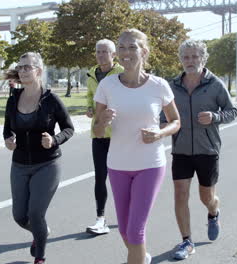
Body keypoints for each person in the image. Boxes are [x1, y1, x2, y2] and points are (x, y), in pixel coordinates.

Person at [93, 29, 181, 264]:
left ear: (144, 51)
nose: (125, 52)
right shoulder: (107, 85)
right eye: (121, 47)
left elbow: (176, 121)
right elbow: (97, 131)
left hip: (149, 164)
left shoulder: (159, 86)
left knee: (135, 231)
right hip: (118, 164)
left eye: (132, 47)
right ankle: (142, 257)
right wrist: (102, 121)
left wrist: (160, 133)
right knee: (124, 231)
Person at [160, 39, 237, 260]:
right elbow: (161, 113)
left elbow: (231, 111)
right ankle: (186, 241)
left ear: (203, 58)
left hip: (208, 150)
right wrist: (162, 124)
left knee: (207, 197)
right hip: (181, 150)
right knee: (180, 195)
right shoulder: (172, 86)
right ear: (181, 59)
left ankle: (214, 213)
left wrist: (214, 117)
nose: (190, 61)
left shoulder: (215, 84)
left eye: (194, 57)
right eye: (186, 57)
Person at [3, 52, 74, 264]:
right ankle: (42, 232)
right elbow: (7, 128)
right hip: (20, 164)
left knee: (35, 213)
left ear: (38, 71)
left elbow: (69, 128)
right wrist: (8, 140)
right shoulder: (13, 98)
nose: (23, 71)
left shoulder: (51, 100)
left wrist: (54, 139)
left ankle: (40, 257)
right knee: (19, 216)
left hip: (47, 163)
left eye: (27, 67)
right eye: (20, 67)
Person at [85, 39, 124, 235]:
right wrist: (90, 108)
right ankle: (100, 218)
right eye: (98, 51)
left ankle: (129, 213)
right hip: (99, 133)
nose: (100, 55)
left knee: (124, 177)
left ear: (113, 54)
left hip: (119, 133)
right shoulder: (91, 74)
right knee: (100, 177)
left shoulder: (121, 74)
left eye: (104, 52)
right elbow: (90, 96)